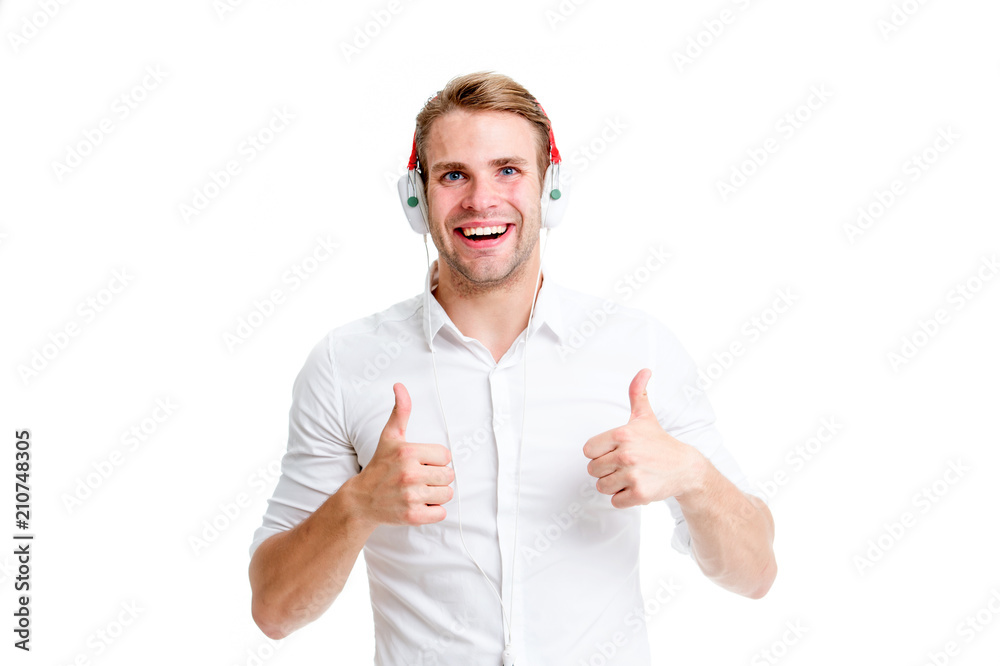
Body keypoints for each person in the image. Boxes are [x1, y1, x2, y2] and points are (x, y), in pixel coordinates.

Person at [248, 71, 777, 665]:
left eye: (508, 169)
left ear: (551, 189)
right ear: (416, 201)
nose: (481, 200)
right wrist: (357, 505)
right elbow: (273, 609)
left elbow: (755, 573)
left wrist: (694, 477)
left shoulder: (639, 351)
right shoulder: (345, 364)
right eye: (454, 175)